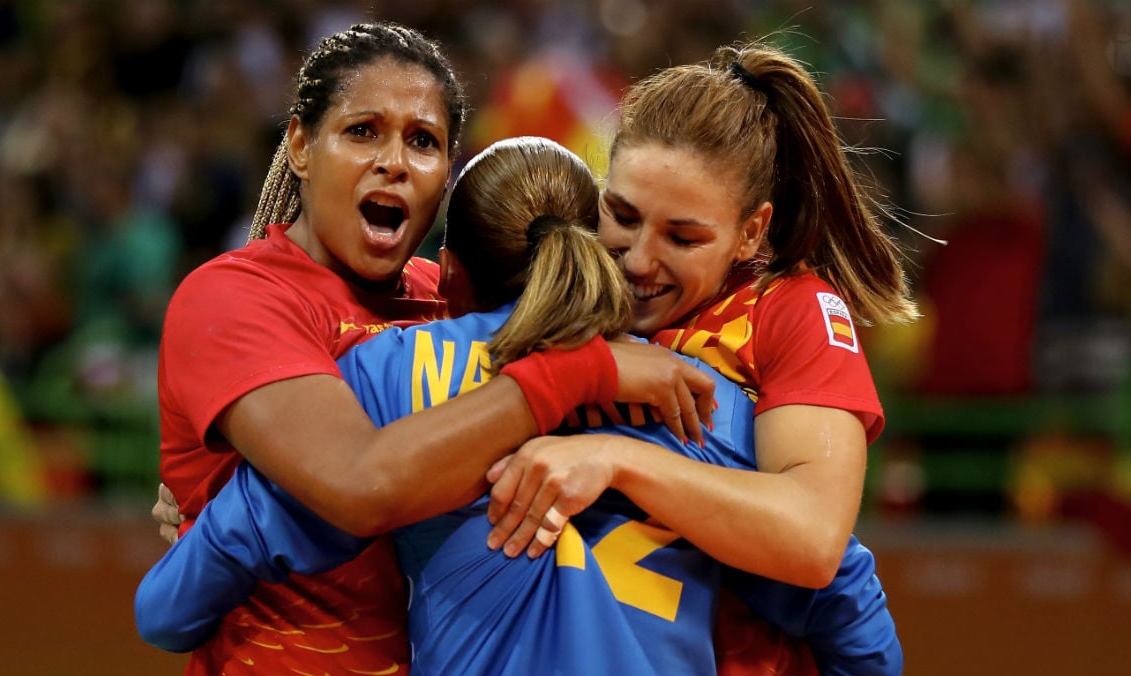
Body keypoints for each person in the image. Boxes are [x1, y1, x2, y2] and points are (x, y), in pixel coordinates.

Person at [137, 136, 894, 675]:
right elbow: (837, 586)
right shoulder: (696, 397)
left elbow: (168, 612)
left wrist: (202, 522)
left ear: (449, 273)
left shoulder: (375, 380)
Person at [151, 21, 714, 676]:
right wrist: (586, 368)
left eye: (422, 142)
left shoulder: (451, 297)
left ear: (446, 174)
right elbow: (358, 484)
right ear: (301, 146)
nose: (393, 160)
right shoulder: (234, 298)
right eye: (363, 131)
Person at [480, 41, 915, 675]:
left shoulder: (793, 310)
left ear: (751, 232)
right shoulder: (564, 282)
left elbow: (814, 538)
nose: (637, 260)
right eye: (621, 215)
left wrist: (617, 458)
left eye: (683, 237)